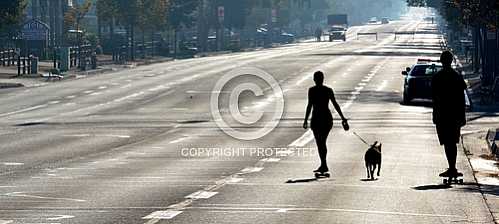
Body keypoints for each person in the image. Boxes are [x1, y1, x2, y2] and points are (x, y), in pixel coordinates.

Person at [303, 71, 348, 173]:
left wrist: (306, 120)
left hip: (317, 119)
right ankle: (323, 164)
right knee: (322, 142)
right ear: (322, 79)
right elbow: (335, 104)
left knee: (320, 143)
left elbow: (309, 105)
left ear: (314, 79)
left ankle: (324, 164)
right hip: (326, 119)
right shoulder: (328, 90)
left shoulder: (312, 90)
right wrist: (342, 118)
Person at [431, 51, 467, 177]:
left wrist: (435, 115)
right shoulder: (457, 76)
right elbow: (462, 98)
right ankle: (452, 167)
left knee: (447, 142)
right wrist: (463, 116)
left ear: (441, 61)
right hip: (455, 115)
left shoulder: (437, 77)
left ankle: (452, 167)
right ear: (451, 61)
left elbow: (434, 98)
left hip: (442, 115)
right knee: (452, 141)